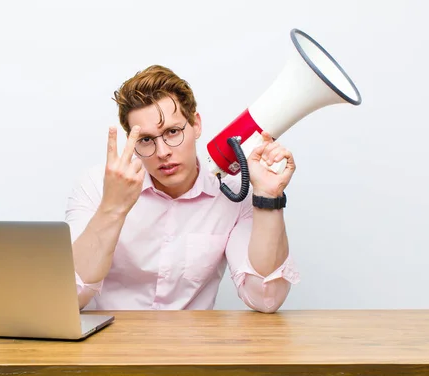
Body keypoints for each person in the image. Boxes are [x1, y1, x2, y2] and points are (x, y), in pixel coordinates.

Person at [65, 65, 300, 313]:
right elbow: (69, 297)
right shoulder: (96, 186)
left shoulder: (232, 195)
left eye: (173, 132)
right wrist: (112, 208)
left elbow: (266, 299)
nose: (163, 152)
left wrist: (268, 197)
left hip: (191, 348)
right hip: (110, 345)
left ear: (196, 125)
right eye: (146, 140)